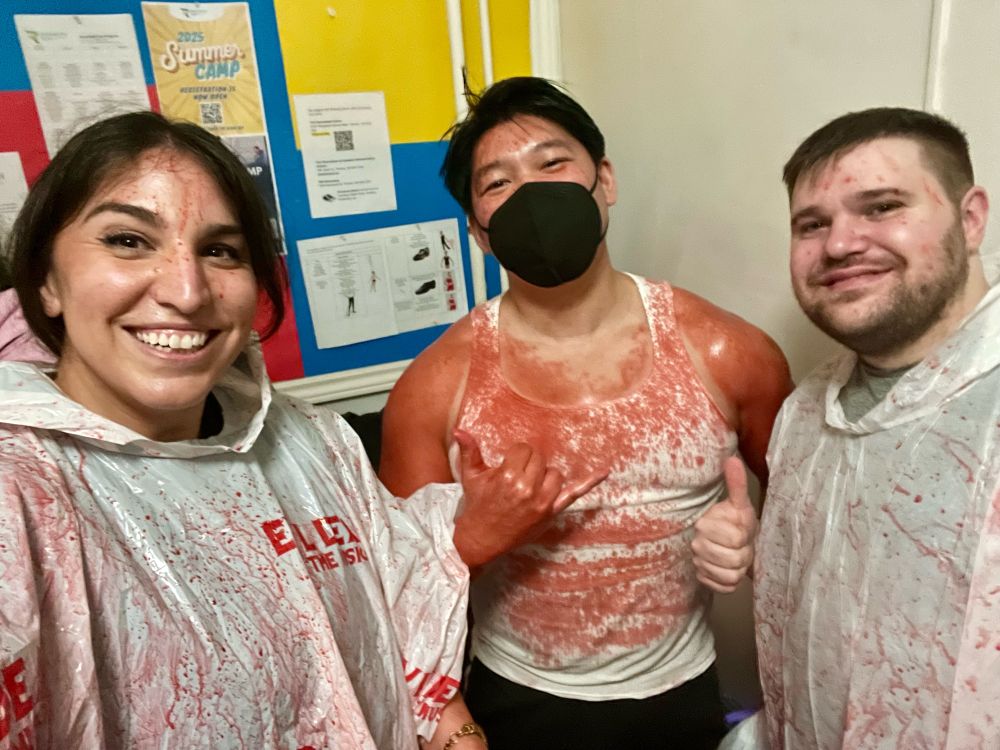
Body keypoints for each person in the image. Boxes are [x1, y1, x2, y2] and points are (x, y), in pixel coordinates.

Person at [0, 111, 598, 749]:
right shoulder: (21, 495)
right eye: (127, 240)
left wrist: (458, 732)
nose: (186, 289)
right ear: (45, 277)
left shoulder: (311, 440)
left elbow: (391, 603)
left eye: (220, 250)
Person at [379, 77, 793, 749]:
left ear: (604, 180)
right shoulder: (434, 390)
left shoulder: (729, 353)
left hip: (682, 695)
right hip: (517, 702)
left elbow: (809, 531)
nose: (533, 194)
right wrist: (474, 537)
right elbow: (401, 597)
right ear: (479, 233)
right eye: (497, 184)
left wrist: (755, 541)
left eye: (552, 163)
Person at [755, 107, 1000, 748]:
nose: (839, 244)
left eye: (882, 206)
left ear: (970, 219)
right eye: (813, 224)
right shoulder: (804, 412)